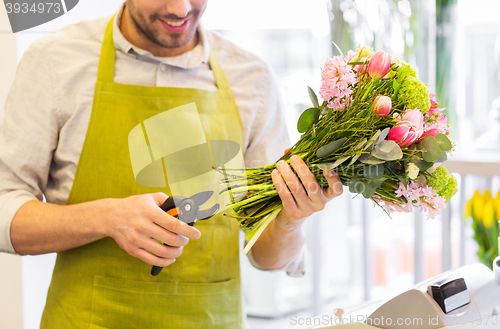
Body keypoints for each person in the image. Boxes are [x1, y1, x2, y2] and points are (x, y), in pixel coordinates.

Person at [0, 1, 343, 328]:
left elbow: (268, 257)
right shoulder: (55, 62)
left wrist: (289, 222)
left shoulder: (253, 78)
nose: (180, 9)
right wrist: (107, 218)